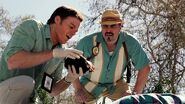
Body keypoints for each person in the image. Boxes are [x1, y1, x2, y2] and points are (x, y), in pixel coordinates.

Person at [0, 6, 85, 104]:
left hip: (27, 99)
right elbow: (13, 61)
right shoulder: (33, 27)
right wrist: (53, 54)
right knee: (26, 83)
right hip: (3, 92)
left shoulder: (61, 51)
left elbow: (52, 91)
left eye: (75, 32)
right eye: (71, 26)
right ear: (57, 20)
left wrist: (69, 78)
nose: (73, 33)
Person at [73, 9, 151, 104]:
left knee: (130, 102)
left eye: (113, 25)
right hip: (90, 82)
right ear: (101, 27)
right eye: (105, 26)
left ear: (120, 26)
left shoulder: (130, 42)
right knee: (80, 101)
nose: (108, 30)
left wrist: (135, 93)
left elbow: (144, 68)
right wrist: (78, 90)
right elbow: (72, 64)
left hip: (117, 83)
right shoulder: (87, 42)